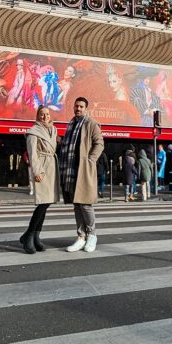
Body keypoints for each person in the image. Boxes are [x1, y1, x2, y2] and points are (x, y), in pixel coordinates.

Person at [59, 97, 104, 253]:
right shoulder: (71, 125)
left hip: (83, 169)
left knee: (85, 204)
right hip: (71, 170)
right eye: (76, 106)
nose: (78, 109)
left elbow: (99, 143)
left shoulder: (91, 124)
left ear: (86, 108)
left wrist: (90, 160)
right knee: (77, 204)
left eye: (81, 106)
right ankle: (81, 236)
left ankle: (92, 235)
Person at [19, 105, 60, 254]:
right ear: (37, 116)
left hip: (51, 167)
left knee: (47, 202)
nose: (45, 117)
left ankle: (35, 236)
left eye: (47, 114)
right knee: (43, 203)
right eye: (42, 114)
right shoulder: (33, 132)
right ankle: (29, 235)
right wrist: (37, 171)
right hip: (42, 167)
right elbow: (32, 153)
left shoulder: (53, 129)